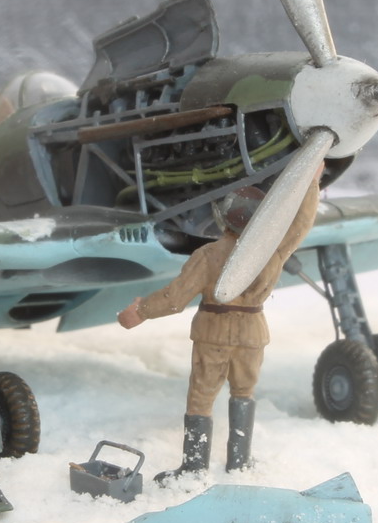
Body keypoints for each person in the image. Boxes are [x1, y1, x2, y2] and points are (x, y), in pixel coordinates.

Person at [117, 170, 323, 478]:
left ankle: (194, 468)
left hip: (212, 332)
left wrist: (141, 311)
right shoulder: (273, 252)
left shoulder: (208, 255)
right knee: (244, 393)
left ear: (223, 219)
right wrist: (311, 183)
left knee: (201, 398)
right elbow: (301, 223)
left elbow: (175, 299)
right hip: (252, 333)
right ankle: (239, 462)